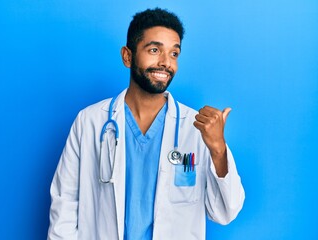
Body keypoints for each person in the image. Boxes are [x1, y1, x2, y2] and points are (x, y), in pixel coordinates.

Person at [48, 8, 245, 240]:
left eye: (174, 54)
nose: (165, 63)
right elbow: (65, 206)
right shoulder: (90, 121)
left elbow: (225, 212)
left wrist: (218, 150)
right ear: (127, 56)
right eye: (154, 50)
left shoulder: (197, 128)